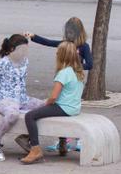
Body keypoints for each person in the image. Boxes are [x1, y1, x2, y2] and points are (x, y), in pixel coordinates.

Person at [26, 17, 92, 154]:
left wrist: (75, 67)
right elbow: (49, 42)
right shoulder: (66, 44)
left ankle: (35, 149)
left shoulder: (83, 48)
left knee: (33, 114)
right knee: (60, 102)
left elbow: (90, 64)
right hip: (70, 100)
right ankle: (63, 143)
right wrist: (34, 37)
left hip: (68, 96)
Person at [0, 34, 43, 162]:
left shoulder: (25, 61)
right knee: (13, 114)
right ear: (12, 49)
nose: (24, 52)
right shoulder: (2, 63)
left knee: (45, 106)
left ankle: (25, 138)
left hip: (22, 99)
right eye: (21, 49)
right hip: (4, 99)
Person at [20, 41, 85, 165]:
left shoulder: (63, 73)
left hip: (64, 107)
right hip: (74, 108)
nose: (56, 55)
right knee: (45, 112)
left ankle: (35, 149)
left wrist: (45, 103)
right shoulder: (78, 71)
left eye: (57, 53)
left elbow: (54, 97)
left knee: (30, 116)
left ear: (62, 56)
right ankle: (62, 145)